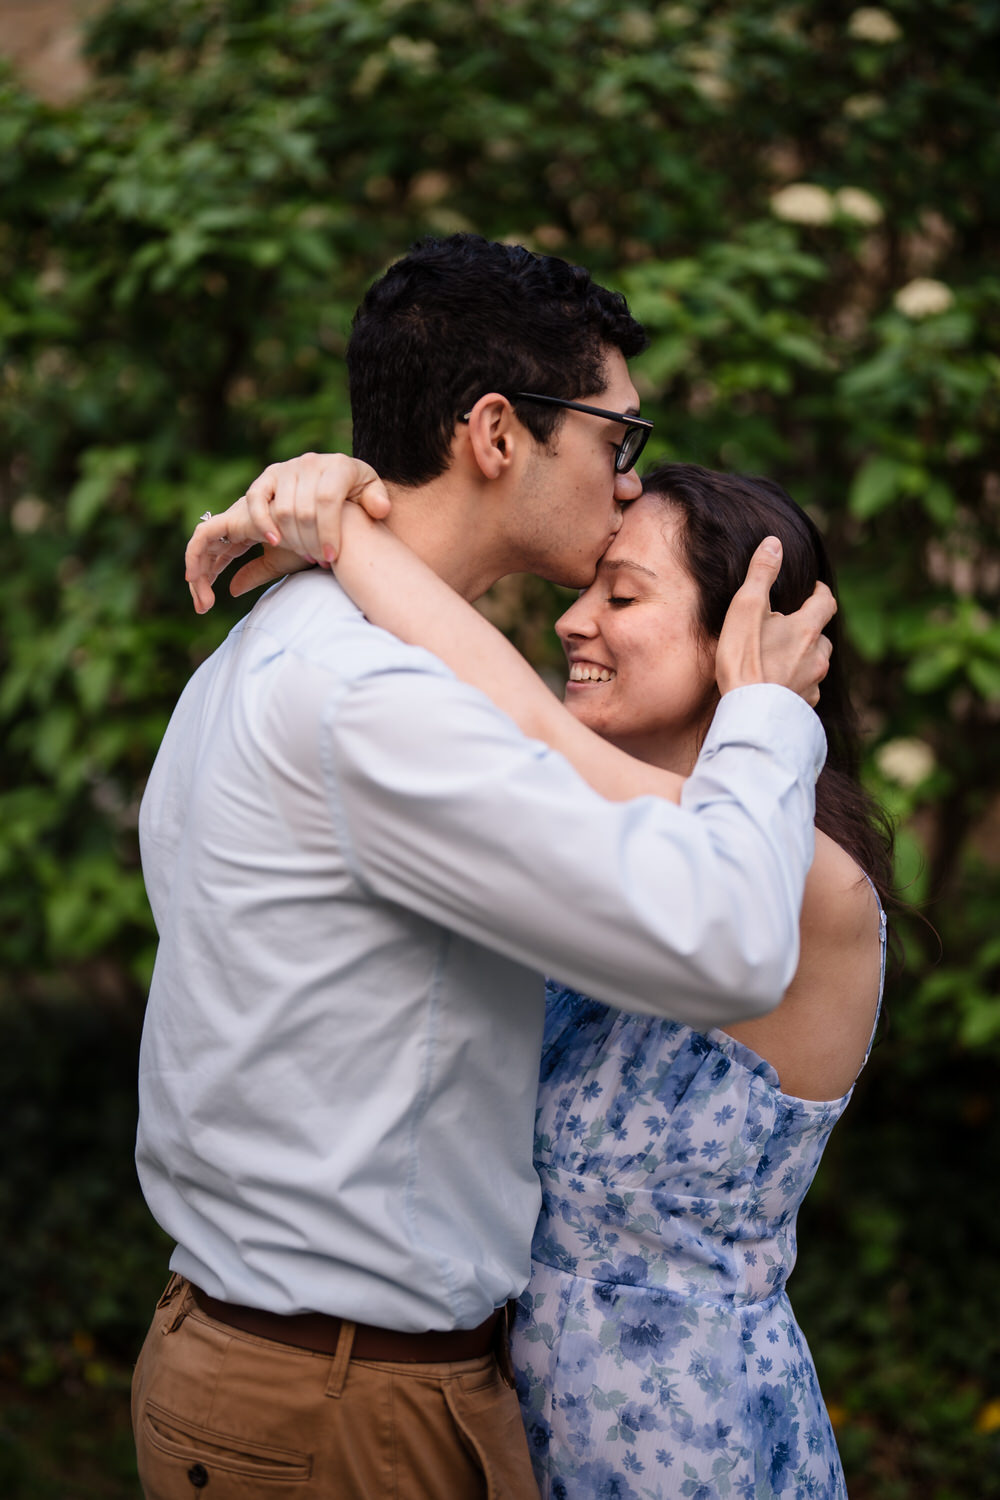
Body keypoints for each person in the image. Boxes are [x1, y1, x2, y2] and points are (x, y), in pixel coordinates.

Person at [134, 233, 835, 1500]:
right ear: (500, 433)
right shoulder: (371, 702)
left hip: (321, 1372)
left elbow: (535, 735)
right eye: (616, 441)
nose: (629, 482)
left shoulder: (298, 640)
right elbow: (723, 937)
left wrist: (341, 530)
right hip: (337, 1401)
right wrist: (771, 716)